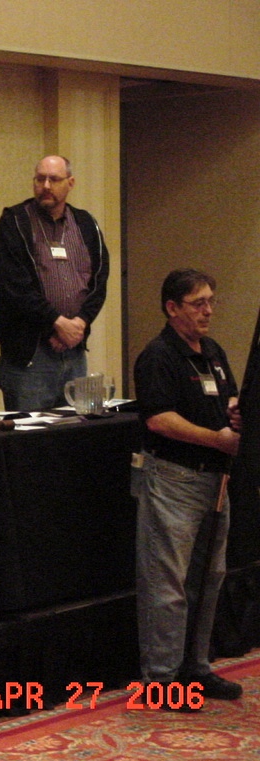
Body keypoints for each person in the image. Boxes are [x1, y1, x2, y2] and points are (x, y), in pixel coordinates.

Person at [132, 268, 242, 704]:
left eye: (211, 301)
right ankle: (161, 679)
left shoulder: (212, 351)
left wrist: (236, 413)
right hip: (174, 479)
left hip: (216, 481)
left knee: (209, 578)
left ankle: (196, 668)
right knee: (168, 583)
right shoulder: (158, 355)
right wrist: (216, 438)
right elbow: (159, 420)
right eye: (198, 303)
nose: (208, 311)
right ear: (172, 308)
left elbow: (226, 397)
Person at [0, 155, 109, 410]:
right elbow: (14, 286)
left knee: (76, 428)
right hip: (31, 354)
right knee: (31, 432)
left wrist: (79, 324)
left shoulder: (86, 223)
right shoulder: (15, 221)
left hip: (74, 350)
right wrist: (56, 323)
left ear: (70, 183)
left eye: (53, 179)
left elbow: (99, 280)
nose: (45, 186)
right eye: (39, 179)